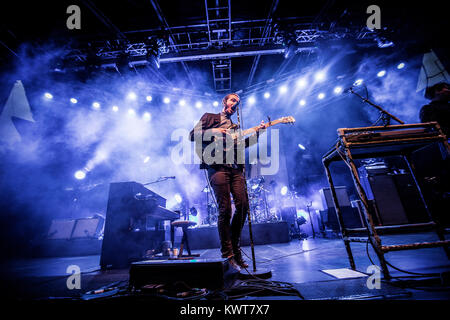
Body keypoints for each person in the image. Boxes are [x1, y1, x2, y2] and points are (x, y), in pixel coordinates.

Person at [189, 93, 264, 270]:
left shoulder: (235, 127)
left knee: (244, 205)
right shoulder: (210, 117)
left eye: (237, 102)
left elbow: (243, 145)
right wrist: (214, 131)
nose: (234, 103)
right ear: (224, 102)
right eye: (232, 100)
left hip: (235, 168)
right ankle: (229, 253)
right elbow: (192, 135)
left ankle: (234, 247)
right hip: (217, 167)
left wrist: (258, 134)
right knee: (225, 210)